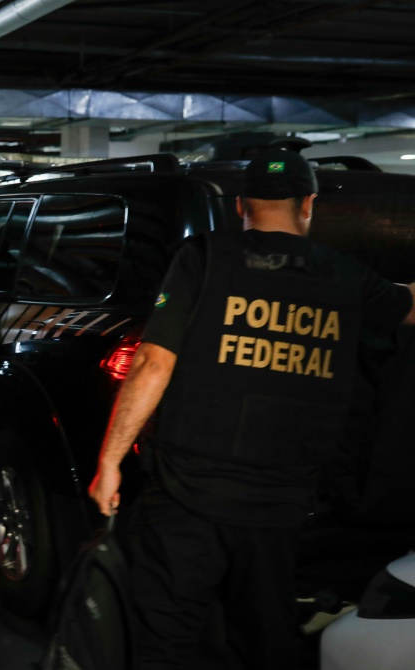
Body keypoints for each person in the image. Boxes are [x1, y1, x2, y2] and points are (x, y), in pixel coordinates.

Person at [87, 149, 415, 670]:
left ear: (242, 205)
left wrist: (109, 461)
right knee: (262, 641)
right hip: (279, 508)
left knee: (164, 639)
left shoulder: (202, 258)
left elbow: (152, 363)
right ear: (308, 204)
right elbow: (409, 306)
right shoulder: (346, 276)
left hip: (187, 496)